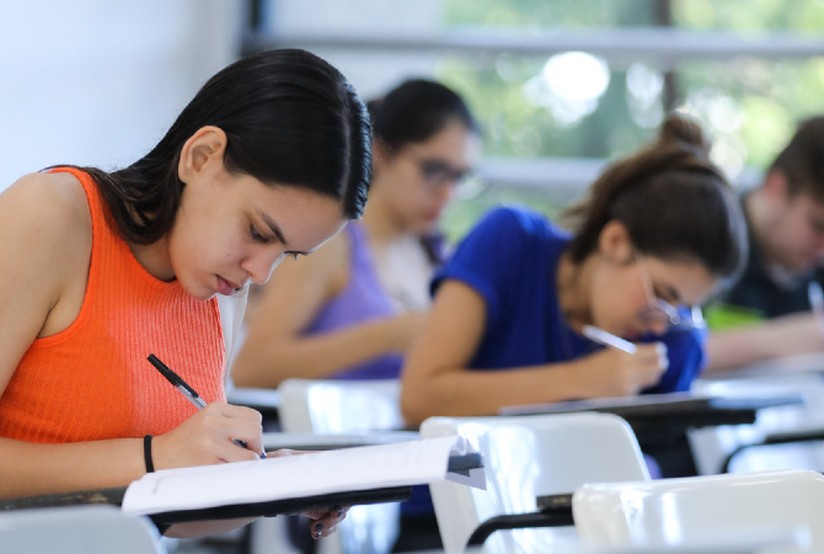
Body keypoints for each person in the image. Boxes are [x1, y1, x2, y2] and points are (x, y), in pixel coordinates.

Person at [0, 48, 372, 540]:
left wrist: (263, 485)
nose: (261, 273)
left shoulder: (219, 287)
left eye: (288, 254)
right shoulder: (49, 217)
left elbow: (160, 515)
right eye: (258, 231)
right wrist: (155, 457)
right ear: (201, 156)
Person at [400, 113, 747, 430]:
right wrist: (583, 379)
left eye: (683, 309)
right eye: (661, 294)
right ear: (615, 242)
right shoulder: (510, 243)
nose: (660, 324)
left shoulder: (672, 342)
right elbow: (419, 399)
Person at [230, 78, 479, 388]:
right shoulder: (331, 244)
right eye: (433, 170)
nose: (447, 194)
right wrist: (385, 336)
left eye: (459, 177)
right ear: (381, 152)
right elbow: (252, 367)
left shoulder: (437, 257)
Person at [703, 116, 824, 372]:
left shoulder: (811, 257)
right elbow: (662, 353)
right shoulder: (707, 235)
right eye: (818, 225)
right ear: (776, 188)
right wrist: (786, 339)